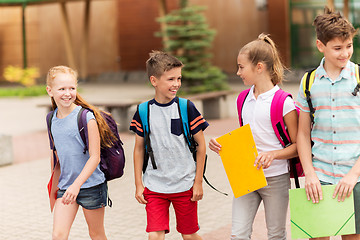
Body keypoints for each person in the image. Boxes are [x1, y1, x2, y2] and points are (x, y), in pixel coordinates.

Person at [209, 33, 298, 240]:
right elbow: (247, 137)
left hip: (276, 178)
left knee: (276, 234)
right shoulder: (242, 99)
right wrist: (222, 143)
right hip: (246, 175)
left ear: (259, 67)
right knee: (238, 234)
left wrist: (273, 155)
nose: (237, 72)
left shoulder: (283, 102)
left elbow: (297, 145)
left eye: (241, 67)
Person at [296, 6, 360, 240]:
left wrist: (353, 175)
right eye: (337, 48)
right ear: (320, 46)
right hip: (320, 177)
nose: (345, 53)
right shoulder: (308, 81)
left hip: (355, 178)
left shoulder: (359, 78)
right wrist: (310, 174)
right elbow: (303, 134)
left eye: (349, 46)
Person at [129, 51, 208, 240]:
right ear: (154, 80)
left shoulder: (186, 108)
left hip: (185, 184)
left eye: (179, 78)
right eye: (171, 79)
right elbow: (139, 149)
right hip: (155, 186)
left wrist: (198, 183)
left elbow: (201, 146)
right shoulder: (143, 111)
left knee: (189, 235)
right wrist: (138, 184)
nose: (176, 84)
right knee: (155, 235)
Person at [46, 66, 115, 240]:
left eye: (72, 88)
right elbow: (56, 155)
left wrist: (77, 185)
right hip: (66, 187)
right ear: (50, 91)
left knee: (96, 234)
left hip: (91, 187)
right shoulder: (51, 119)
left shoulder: (86, 117)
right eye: (62, 89)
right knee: (58, 235)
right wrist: (56, 185)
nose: (67, 93)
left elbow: (95, 157)